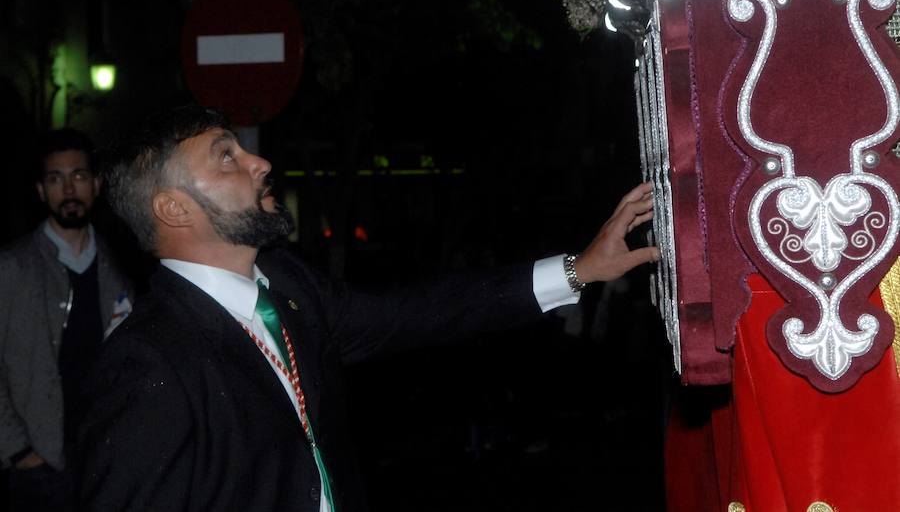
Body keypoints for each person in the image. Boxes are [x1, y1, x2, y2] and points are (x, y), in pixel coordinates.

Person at [77, 105, 658, 512]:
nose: (259, 164)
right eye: (226, 157)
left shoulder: (286, 285)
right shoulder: (148, 363)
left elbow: (422, 312)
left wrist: (580, 269)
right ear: (174, 209)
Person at [0, 128, 133, 512]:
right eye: (55, 179)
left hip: (104, 460)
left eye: (78, 176)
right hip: (37, 465)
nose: (69, 189)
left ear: (97, 184)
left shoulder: (122, 267)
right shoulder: (13, 267)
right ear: (41, 191)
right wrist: (19, 450)